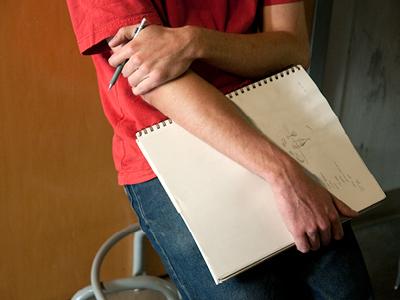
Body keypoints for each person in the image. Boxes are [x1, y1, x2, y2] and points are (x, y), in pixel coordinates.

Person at [66, 1, 373, 298]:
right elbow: (151, 76)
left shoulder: (194, 42)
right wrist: (283, 174)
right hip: (167, 144)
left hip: (270, 120)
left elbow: (293, 47)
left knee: (347, 290)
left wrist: (193, 41)